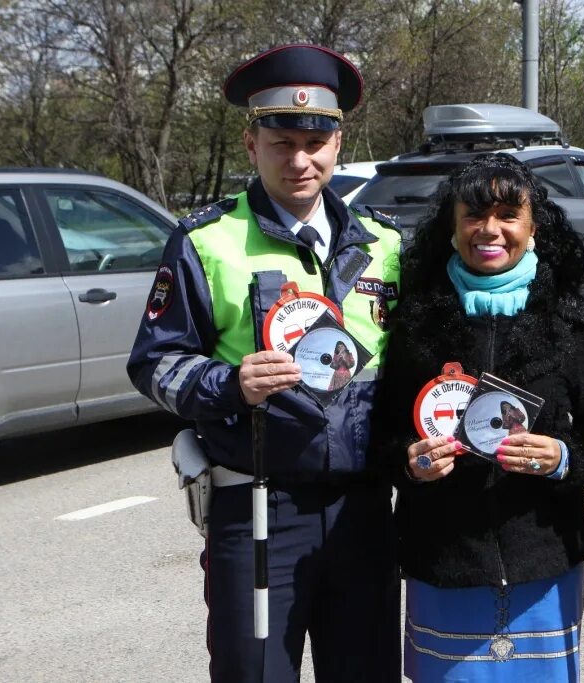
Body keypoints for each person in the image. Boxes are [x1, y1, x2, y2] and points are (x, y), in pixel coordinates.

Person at [127, 44, 402, 682]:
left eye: (316, 141)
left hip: (363, 509)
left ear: (338, 142)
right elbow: (155, 363)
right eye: (281, 141)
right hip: (257, 509)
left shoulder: (384, 243)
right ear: (252, 144)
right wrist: (228, 383)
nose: (300, 160)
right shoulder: (205, 241)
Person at [371, 153, 584, 681]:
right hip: (443, 562)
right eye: (474, 215)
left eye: (509, 214)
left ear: (533, 226)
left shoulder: (568, 319)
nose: (490, 229)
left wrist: (561, 459)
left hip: (543, 559)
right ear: (452, 225)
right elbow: (382, 436)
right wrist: (410, 462)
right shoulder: (416, 321)